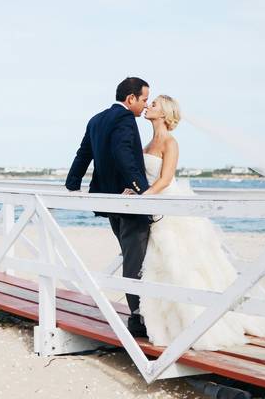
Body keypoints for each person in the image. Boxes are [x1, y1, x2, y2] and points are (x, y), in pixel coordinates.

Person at [137, 95, 265, 350]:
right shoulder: (148, 142)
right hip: (153, 205)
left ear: (165, 112)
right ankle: (169, 325)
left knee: (184, 263)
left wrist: (144, 199)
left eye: (154, 104)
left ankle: (199, 323)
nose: (148, 106)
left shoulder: (171, 142)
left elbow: (166, 179)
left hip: (168, 206)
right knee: (160, 266)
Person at [65, 77, 152, 338]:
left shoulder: (97, 119)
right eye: (144, 99)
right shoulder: (124, 120)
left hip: (108, 200)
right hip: (127, 201)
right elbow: (123, 154)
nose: (145, 105)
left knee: (131, 255)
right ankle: (138, 318)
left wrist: (72, 183)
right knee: (134, 259)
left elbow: (83, 154)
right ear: (131, 99)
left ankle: (144, 312)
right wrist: (141, 189)